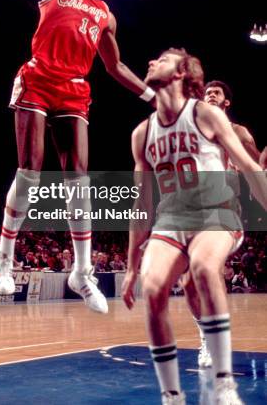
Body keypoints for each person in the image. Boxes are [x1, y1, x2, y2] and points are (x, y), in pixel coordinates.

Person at [0, 0, 155, 313]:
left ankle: (82, 272)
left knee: (78, 179)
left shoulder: (105, 16)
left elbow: (115, 66)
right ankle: (3, 260)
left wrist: (151, 98)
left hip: (74, 90)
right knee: (30, 169)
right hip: (39, 77)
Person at [121, 48, 267, 405]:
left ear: (182, 74)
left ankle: (224, 384)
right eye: (152, 58)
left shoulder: (206, 114)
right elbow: (141, 202)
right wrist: (129, 265)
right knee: (152, 289)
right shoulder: (142, 133)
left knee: (203, 268)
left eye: (162, 59)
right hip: (171, 219)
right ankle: (172, 395)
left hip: (217, 211)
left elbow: (249, 166)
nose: (151, 62)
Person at [181, 80, 266, 367]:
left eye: (215, 93)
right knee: (189, 281)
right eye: (207, 93)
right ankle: (206, 335)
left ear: (226, 102)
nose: (210, 96)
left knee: (208, 266)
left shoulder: (238, 132)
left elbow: (257, 170)